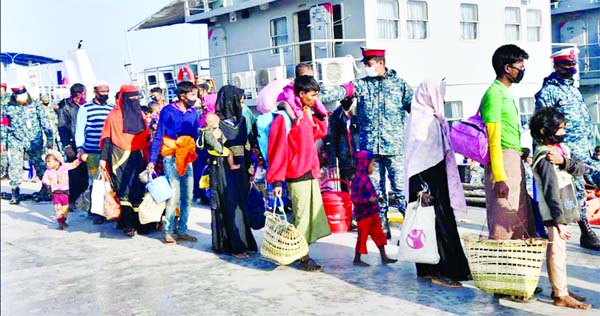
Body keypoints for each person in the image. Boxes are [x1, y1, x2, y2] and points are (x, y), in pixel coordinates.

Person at [321, 47, 413, 239]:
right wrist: (317, 97)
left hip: (394, 147)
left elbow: (415, 108)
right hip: (369, 149)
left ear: (381, 63)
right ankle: (382, 228)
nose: (366, 68)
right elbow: (341, 91)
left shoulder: (400, 85)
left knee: (401, 189)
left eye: (369, 64)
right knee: (376, 192)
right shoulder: (362, 85)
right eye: (365, 65)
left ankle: (412, 229)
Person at [404, 79, 471, 288]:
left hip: (439, 181)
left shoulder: (434, 119)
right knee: (430, 226)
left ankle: (454, 269)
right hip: (426, 186)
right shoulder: (420, 120)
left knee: (444, 223)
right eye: (438, 94)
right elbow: (415, 160)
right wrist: (419, 191)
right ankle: (433, 271)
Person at [534, 47, 600, 251]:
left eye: (573, 64)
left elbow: (584, 119)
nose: (571, 68)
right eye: (567, 64)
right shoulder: (548, 92)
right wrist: (549, 152)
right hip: (567, 153)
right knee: (577, 191)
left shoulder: (573, 88)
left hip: (586, 150)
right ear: (557, 65)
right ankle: (585, 231)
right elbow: (541, 124)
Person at [267, 76, 331, 271]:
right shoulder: (284, 118)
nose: (315, 98)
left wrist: (320, 113)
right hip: (296, 173)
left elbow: (319, 132)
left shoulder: (306, 112)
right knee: (302, 218)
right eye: (312, 95)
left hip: (310, 171)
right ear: (301, 94)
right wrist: (277, 181)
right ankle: (303, 257)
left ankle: (296, 251)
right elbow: (278, 150)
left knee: (311, 217)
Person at [529, 107, 591, 309]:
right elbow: (550, 192)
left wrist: (563, 161)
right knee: (556, 250)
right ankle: (559, 294)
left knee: (561, 252)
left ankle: (562, 288)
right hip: (553, 215)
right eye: (559, 128)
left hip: (562, 213)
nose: (563, 132)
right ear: (544, 131)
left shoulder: (559, 152)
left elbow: (581, 168)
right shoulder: (544, 157)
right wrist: (558, 221)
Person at [481, 44, 535, 241]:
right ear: (507, 68)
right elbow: (494, 139)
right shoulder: (494, 94)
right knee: (504, 218)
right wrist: (500, 177)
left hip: (513, 157)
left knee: (517, 216)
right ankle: (500, 266)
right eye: (520, 65)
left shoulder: (504, 92)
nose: (522, 70)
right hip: (503, 160)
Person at [208, 85, 257, 258]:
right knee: (230, 206)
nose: (242, 104)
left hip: (242, 167)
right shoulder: (216, 124)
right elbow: (209, 146)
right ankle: (236, 246)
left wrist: (251, 165)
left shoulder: (242, 121)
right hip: (224, 169)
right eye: (240, 100)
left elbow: (249, 143)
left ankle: (246, 242)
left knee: (241, 205)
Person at [148, 81, 200, 244]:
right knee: (174, 194)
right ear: (182, 96)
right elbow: (159, 135)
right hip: (170, 156)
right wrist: (152, 160)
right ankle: (169, 230)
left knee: (188, 194)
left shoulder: (193, 113)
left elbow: (196, 136)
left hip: (187, 156)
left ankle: (183, 229)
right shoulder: (168, 111)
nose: (195, 98)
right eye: (192, 94)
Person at [99, 85, 150, 237]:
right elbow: (107, 139)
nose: (134, 101)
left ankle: (141, 223)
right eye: (131, 98)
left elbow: (146, 137)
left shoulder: (140, 114)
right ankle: (128, 224)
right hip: (119, 156)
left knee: (139, 188)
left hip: (139, 155)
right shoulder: (113, 116)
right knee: (123, 189)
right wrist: (102, 159)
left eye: (137, 97)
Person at [1, 86, 54, 204]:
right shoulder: (7, 107)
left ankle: (46, 188)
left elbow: (45, 122)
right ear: (14, 96)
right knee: (15, 165)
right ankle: (15, 191)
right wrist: (3, 141)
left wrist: (50, 138)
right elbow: (4, 125)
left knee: (39, 164)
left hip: (34, 140)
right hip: (15, 140)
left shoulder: (36, 105)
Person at [75, 81, 114, 224]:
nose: (105, 94)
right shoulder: (85, 108)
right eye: (102, 91)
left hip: (109, 152)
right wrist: (80, 148)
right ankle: (97, 212)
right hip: (92, 152)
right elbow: (80, 130)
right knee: (95, 183)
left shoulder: (112, 108)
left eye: (107, 91)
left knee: (109, 182)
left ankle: (110, 209)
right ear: (95, 91)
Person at [351, 150, 397, 266]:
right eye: (372, 165)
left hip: (372, 213)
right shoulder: (358, 180)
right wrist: (368, 200)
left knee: (378, 234)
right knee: (362, 237)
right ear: (365, 165)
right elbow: (355, 198)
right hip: (363, 215)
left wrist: (376, 199)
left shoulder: (365, 178)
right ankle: (357, 258)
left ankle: (384, 256)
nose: (373, 167)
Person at [57, 83, 89, 212]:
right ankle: (71, 200)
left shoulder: (87, 105)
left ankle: (84, 200)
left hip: (88, 144)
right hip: (73, 145)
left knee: (86, 174)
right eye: (84, 93)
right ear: (79, 94)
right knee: (74, 174)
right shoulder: (65, 107)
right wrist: (67, 146)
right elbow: (62, 128)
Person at [41, 150, 85, 230]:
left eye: (49, 161)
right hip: (55, 193)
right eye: (46, 162)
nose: (47, 164)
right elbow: (44, 180)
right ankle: (60, 223)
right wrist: (47, 182)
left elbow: (73, 164)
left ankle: (64, 220)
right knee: (58, 209)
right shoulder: (48, 172)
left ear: (58, 161)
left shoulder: (64, 167)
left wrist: (80, 159)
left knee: (65, 209)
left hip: (65, 193)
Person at [326, 96, 359, 191]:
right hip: (344, 161)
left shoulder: (360, 113)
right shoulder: (336, 116)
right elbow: (331, 140)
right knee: (346, 193)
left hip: (360, 159)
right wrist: (332, 163)